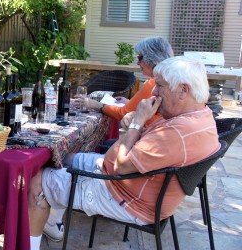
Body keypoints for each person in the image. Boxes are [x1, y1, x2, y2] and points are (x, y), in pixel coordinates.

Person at [28, 56, 220, 250]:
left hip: (126, 198)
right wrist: (138, 125)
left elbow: (118, 167)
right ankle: (53, 224)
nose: (154, 91)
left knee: (37, 178)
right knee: (61, 157)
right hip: (132, 184)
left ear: (183, 90)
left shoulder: (177, 132)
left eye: (159, 85)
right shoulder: (201, 117)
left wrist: (138, 121)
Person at [43, 36, 174, 241]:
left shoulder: (152, 84)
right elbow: (132, 111)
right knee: (74, 153)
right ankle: (54, 215)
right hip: (138, 167)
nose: (137, 62)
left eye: (140, 58)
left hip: (126, 176)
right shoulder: (160, 84)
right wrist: (129, 103)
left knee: (61, 159)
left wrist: (95, 105)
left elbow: (124, 116)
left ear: (152, 60)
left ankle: (52, 216)